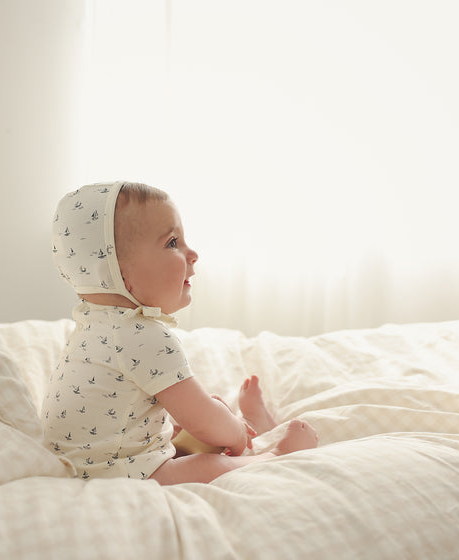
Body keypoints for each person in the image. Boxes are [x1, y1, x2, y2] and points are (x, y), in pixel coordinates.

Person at [43, 181, 318, 485]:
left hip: (92, 459)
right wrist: (229, 430)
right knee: (205, 461)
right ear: (119, 273)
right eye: (173, 243)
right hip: (113, 474)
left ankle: (251, 426)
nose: (193, 253)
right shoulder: (142, 335)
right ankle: (274, 455)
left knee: (205, 415)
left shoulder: (91, 322)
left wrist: (202, 422)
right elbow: (204, 422)